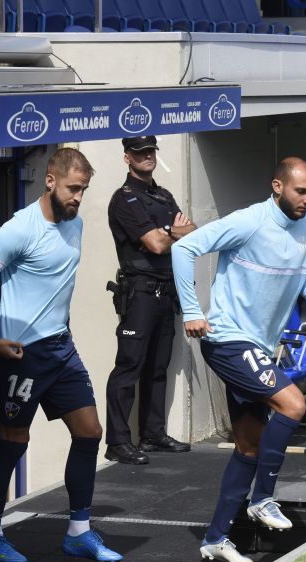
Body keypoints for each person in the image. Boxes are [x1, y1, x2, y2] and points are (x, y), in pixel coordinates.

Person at [172, 157, 306, 562]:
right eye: (300, 191)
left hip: (261, 348)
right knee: (293, 404)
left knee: (248, 448)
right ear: (277, 186)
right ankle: (263, 499)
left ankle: (216, 537)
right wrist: (192, 310)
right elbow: (184, 247)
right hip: (227, 339)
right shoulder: (249, 221)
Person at [0, 148, 120, 562]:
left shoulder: (76, 224)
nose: (78, 198)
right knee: (14, 441)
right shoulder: (19, 228)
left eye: (83, 190)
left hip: (61, 349)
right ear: (50, 181)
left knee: (89, 433)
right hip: (21, 354)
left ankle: (79, 532)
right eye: (73, 188)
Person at [104, 136, 196, 465]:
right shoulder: (125, 199)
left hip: (165, 290)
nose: (147, 157)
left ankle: (153, 434)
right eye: (140, 153)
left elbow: (193, 231)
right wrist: (172, 231)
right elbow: (156, 245)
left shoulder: (162, 195)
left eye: (150, 152)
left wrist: (166, 231)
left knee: (159, 367)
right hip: (140, 290)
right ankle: (117, 441)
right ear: (127, 158)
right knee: (129, 366)